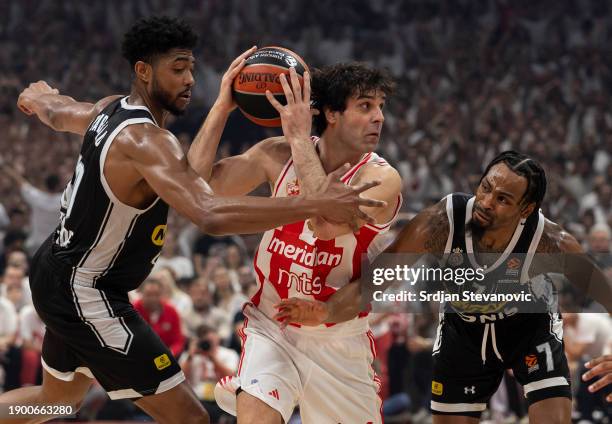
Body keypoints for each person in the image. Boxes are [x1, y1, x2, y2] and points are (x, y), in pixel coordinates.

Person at [0, 16, 382, 424]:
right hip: (87, 291)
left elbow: (62, 112)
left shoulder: (109, 109)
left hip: (57, 270)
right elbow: (209, 213)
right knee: (192, 419)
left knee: (56, 402)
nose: (189, 80)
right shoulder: (148, 141)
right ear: (143, 71)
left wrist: (38, 99)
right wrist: (313, 204)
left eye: (192, 69)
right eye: (177, 69)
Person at [275, 151, 612, 423]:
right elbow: (379, 277)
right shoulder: (442, 222)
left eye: (503, 199)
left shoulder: (549, 241)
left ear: (527, 209)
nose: (486, 201)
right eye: (485, 188)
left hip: (529, 329)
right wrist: (328, 310)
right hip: (462, 334)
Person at [190, 62, 402, 423]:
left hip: (337, 339)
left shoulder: (380, 178)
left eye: (380, 106)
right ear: (332, 114)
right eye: (366, 106)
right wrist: (223, 105)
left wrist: (300, 138)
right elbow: (196, 187)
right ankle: (255, 390)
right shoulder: (277, 154)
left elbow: (323, 222)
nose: (379, 117)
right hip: (272, 327)